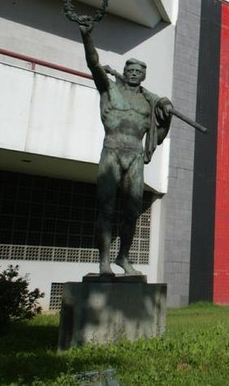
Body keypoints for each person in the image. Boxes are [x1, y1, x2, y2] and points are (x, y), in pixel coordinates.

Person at [77, 15, 172, 276]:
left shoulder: (148, 102)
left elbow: (161, 126)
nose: (132, 73)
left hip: (135, 156)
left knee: (131, 211)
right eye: (129, 70)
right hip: (112, 151)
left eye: (138, 71)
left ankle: (123, 257)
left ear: (143, 76)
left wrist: (166, 110)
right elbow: (93, 63)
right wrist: (87, 35)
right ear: (124, 72)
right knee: (106, 207)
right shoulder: (109, 88)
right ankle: (104, 261)